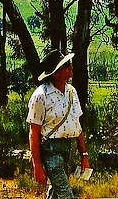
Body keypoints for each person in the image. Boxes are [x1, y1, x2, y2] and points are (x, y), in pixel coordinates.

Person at [27, 50, 90, 199]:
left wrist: (84, 154)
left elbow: (77, 125)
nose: (70, 67)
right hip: (51, 149)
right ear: (55, 74)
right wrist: (37, 166)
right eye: (65, 65)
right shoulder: (40, 96)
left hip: (69, 147)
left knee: (56, 192)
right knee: (65, 194)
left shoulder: (71, 92)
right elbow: (33, 133)